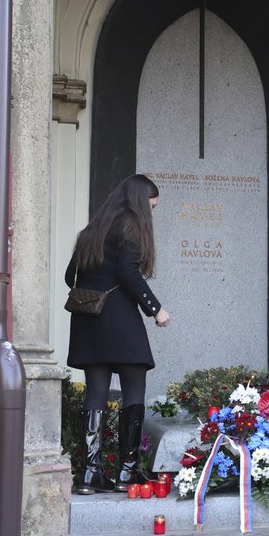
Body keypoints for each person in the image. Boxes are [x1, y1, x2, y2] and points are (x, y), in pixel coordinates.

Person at [65, 174, 171, 495]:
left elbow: (71, 276)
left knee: (96, 392)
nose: (152, 213)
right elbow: (128, 273)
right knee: (134, 388)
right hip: (120, 321)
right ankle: (127, 471)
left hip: (88, 322)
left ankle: (90, 474)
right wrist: (156, 309)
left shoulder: (91, 231)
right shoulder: (131, 227)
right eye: (151, 207)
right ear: (140, 202)